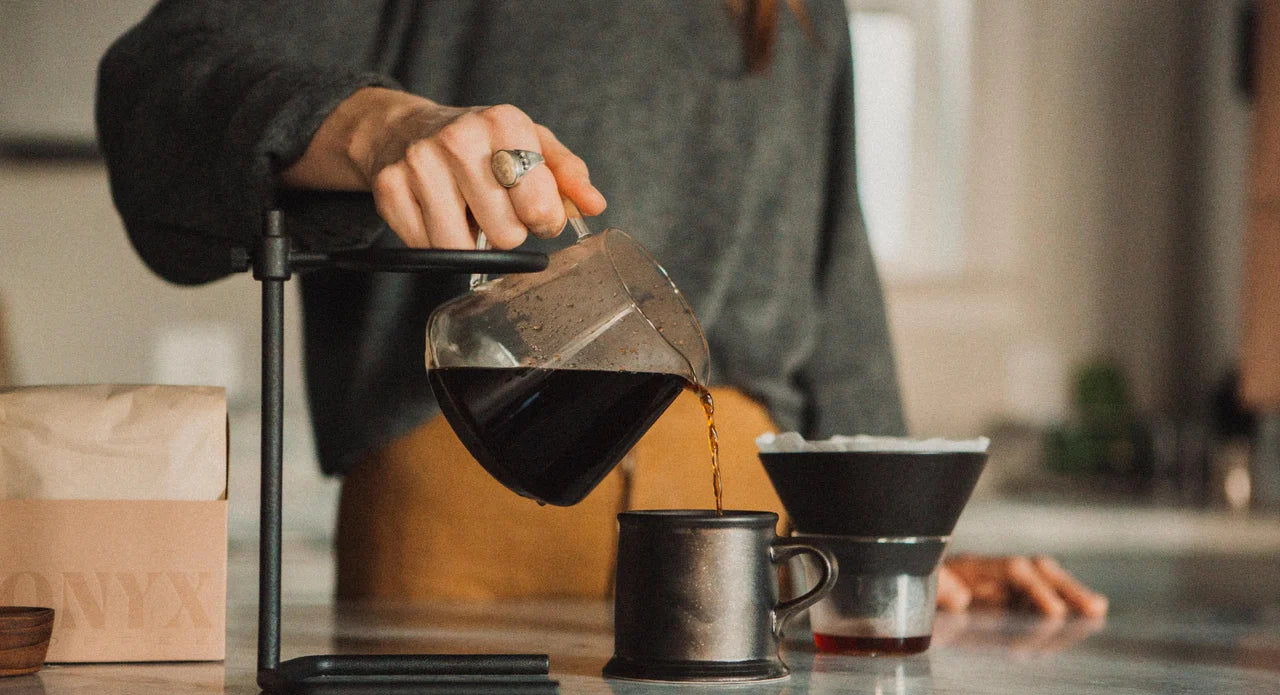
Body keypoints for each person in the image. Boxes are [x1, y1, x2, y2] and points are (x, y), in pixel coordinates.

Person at [97, 0, 1105, 618]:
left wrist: (903, 544)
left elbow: (832, 287)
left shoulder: (799, 9)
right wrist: (377, 123)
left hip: (747, 536)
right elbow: (159, 75)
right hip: (458, 521)